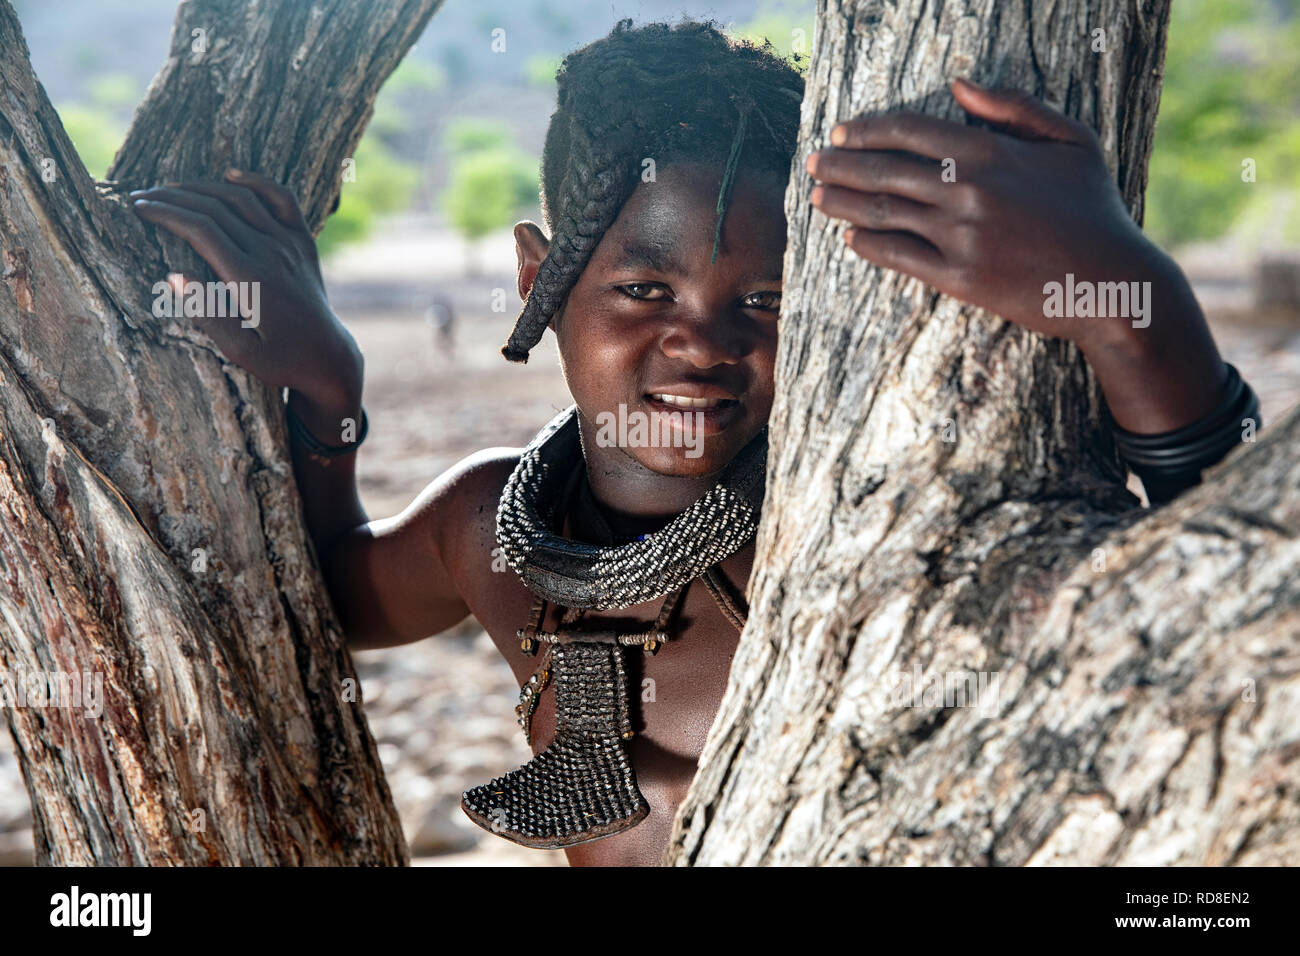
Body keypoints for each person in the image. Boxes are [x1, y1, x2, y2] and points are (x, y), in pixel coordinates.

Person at [128, 19, 1258, 866]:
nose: (699, 343)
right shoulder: (495, 530)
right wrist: (328, 390)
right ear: (539, 279)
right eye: (642, 284)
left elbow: (1219, 586)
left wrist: (1130, 300)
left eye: (761, 302)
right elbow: (323, 606)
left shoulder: (850, 533)